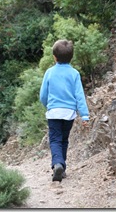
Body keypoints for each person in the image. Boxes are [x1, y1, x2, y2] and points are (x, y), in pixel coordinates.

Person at [39, 39, 89, 182]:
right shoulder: (74, 74)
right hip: (69, 113)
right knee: (64, 140)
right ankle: (62, 168)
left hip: (54, 111)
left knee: (55, 139)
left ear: (54, 57)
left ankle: (57, 164)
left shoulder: (49, 72)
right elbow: (80, 96)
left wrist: (47, 104)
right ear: (71, 57)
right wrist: (84, 115)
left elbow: (43, 94)